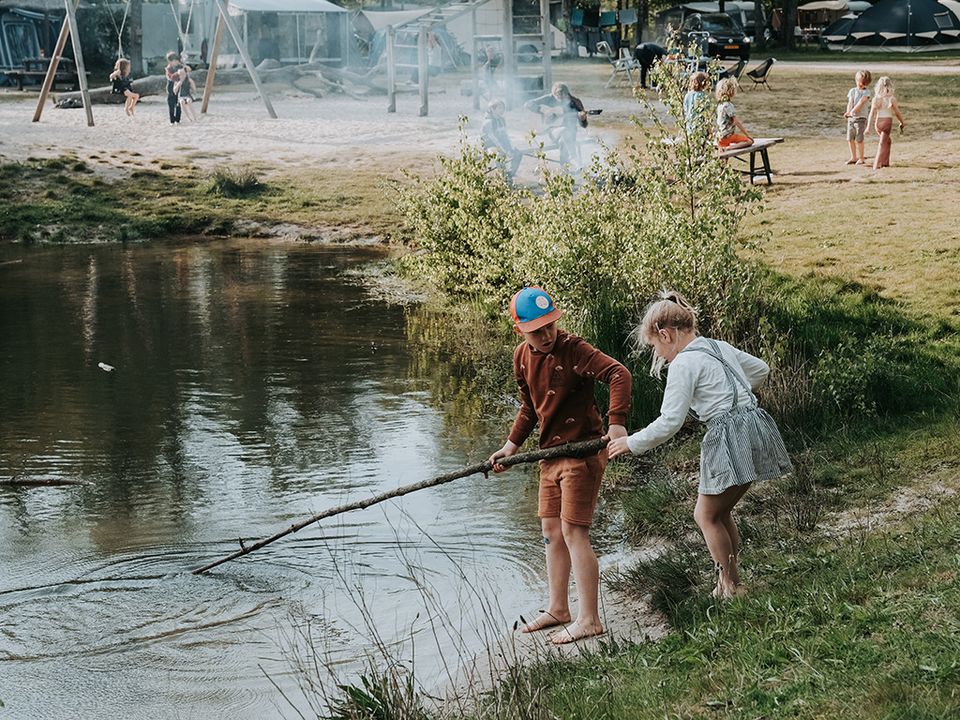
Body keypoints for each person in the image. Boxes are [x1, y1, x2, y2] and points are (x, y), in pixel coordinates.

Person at [608, 291, 792, 599]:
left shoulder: (683, 364)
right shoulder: (718, 346)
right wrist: (737, 397)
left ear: (665, 334)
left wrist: (631, 443)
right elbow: (761, 369)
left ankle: (730, 586)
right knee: (720, 511)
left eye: (656, 347)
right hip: (756, 424)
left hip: (728, 436)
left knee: (705, 516)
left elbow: (669, 422)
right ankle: (730, 581)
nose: (660, 355)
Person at [489, 287, 632, 644]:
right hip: (548, 457)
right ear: (519, 330)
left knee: (574, 533)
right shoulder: (522, 357)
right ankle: (558, 609)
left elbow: (619, 375)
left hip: (582, 453)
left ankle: (590, 619)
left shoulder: (573, 349)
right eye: (537, 330)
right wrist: (510, 447)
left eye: (550, 325)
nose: (546, 334)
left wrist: (616, 423)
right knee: (552, 532)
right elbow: (529, 408)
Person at [524, 82, 588, 167]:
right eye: (557, 96)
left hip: (570, 134)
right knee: (564, 131)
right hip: (551, 132)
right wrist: (543, 110)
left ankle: (566, 169)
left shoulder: (575, 102)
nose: (560, 99)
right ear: (553, 94)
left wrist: (582, 119)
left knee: (564, 137)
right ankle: (572, 158)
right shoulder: (549, 98)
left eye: (563, 96)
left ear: (567, 94)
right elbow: (527, 104)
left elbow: (584, 125)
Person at [866, 76, 905, 170]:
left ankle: (885, 162)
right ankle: (877, 165)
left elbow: (871, 113)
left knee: (887, 141)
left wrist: (868, 127)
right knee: (882, 143)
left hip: (878, 123)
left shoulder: (876, 99)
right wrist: (902, 122)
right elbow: (897, 113)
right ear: (890, 86)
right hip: (887, 123)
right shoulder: (891, 99)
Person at [481, 99, 522, 179]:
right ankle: (503, 175)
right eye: (499, 108)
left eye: (503, 108)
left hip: (501, 143)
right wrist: (503, 149)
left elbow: (505, 135)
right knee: (499, 155)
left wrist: (511, 147)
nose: (502, 110)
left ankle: (510, 173)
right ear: (492, 109)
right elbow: (493, 138)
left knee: (518, 153)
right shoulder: (488, 122)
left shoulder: (502, 120)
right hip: (490, 145)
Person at [843, 70, 872, 165]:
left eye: (863, 83)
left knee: (859, 139)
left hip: (861, 119)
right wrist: (848, 111)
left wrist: (852, 111)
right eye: (859, 82)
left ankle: (861, 158)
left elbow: (861, 103)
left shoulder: (867, 92)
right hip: (851, 119)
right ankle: (853, 157)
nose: (861, 84)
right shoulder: (852, 91)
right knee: (850, 138)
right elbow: (850, 102)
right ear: (856, 80)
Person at [715, 77, 752, 150]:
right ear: (732, 92)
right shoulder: (728, 105)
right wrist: (747, 135)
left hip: (719, 136)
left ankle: (726, 149)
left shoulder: (720, 105)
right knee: (749, 141)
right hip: (728, 136)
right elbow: (736, 122)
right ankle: (729, 148)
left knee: (723, 159)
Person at [682, 71, 711, 137]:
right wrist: (709, 129)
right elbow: (706, 114)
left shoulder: (687, 95)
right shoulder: (703, 96)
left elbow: (685, 111)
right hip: (700, 127)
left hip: (689, 126)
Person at [164, 51, 182, 125]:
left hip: (179, 87)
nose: (176, 62)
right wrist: (178, 73)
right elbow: (170, 77)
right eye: (175, 61)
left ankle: (177, 119)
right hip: (171, 88)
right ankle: (172, 120)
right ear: (170, 61)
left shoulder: (180, 66)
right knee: (171, 104)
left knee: (179, 104)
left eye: (177, 60)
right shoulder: (168, 68)